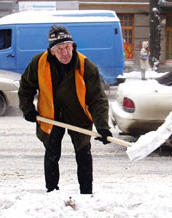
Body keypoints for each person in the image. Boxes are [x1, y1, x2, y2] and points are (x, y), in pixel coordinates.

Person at [18, 24, 112, 194]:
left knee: (83, 154)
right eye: (59, 48)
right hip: (50, 116)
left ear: (73, 46)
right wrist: (27, 109)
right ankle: (52, 191)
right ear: (51, 51)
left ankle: (86, 193)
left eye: (68, 47)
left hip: (78, 116)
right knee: (52, 154)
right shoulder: (39, 63)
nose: (65, 53)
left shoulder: (86, 66)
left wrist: (103, 127)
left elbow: (97, 99)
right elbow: (26, 86)